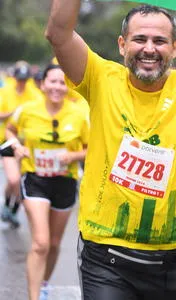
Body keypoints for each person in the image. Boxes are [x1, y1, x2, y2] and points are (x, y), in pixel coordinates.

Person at [45, 1, 176, 299]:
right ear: (122, 44)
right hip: (105, 257)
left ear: (175, 47)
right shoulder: (99, 78)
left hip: (171, 261)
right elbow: (58, 33)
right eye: (140, 39)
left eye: (159, 41)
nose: (149, 48)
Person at [5, 64, 89, 300]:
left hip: (64, 182)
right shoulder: (27, 110)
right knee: (40, 243)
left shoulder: (79, 115)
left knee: (53, 244)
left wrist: (71, 156)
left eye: (62, 83)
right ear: (42, 84)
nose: (57, 87)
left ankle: (43, 283)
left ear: (68, 87)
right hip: (35, 180)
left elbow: (91, 148)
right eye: (52, 81)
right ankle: (34, 297)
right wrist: (17, 145)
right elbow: (10, 130)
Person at [0, 61, 44, 228]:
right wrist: (14, 113)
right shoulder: (5, 92)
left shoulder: (34, 93)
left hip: (27, 142)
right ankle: (6, 206)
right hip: (8, 140)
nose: (22, 83)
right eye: (19, 79)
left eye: (25, 80)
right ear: (14, 77)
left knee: (21, 182)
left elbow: (41, 110)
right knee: (13, 179)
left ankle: (13, 209)